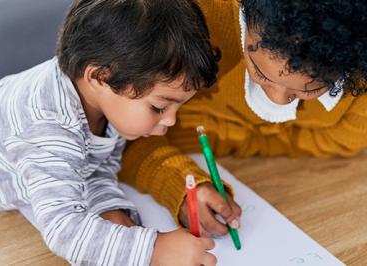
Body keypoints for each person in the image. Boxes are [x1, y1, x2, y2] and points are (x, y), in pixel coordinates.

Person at [0, 0, 221, 265]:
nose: (170, 120)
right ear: (99, 77)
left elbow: (93, 167)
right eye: (159, 107)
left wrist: (106, 207)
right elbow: (64, 230)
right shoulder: (46, 126)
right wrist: (153, 249)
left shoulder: (106, 101)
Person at [119, 0, 367, 238]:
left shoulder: (359, 86)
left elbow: (344, 141)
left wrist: (229, 135)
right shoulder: (187, 20)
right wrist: (178, 183)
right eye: (260, 72)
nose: (278, 101)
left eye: (310, 89)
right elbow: (119, 135)